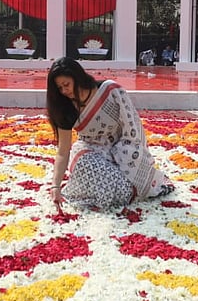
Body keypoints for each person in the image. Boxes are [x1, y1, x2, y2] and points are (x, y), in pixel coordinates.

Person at [46, 57, 173, 211]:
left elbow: (132, 127)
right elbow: (63, 151)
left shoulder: (110, 92)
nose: (64, 91)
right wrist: (55, 186)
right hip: (95, 152)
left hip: (125, 149)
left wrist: (122, 154)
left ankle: (123, 189)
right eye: (59, 88)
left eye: (66, 85)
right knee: (83, 162)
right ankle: (123, 191)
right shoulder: (65, 108)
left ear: (77, 77)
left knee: (126, 175)